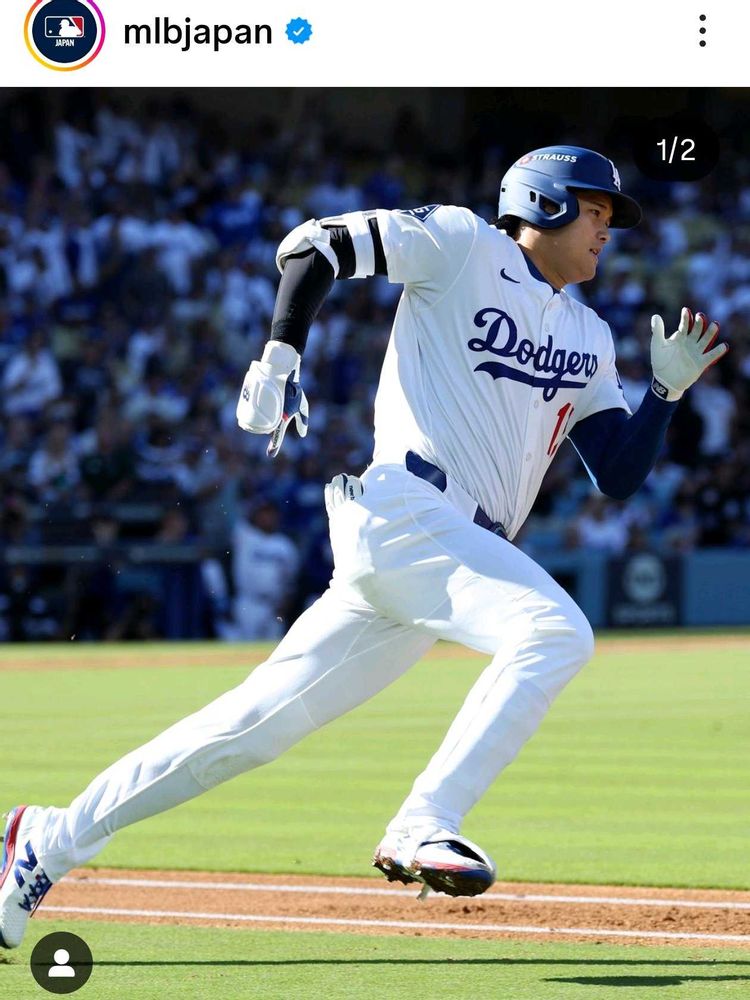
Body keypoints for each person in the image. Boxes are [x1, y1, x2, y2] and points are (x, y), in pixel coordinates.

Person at [0, 146, 727, 949]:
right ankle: (425, 820)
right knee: (555, 631)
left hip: (436, 558)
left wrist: (664, 393)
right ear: (543, 203)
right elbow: (314, 245)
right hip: (409, 508)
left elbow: (616, 473)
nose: (607, 230)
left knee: (248, 730)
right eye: (595, 210)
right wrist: (280, 353)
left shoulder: (588, 334)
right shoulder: (462, 244)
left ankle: (47, 838)